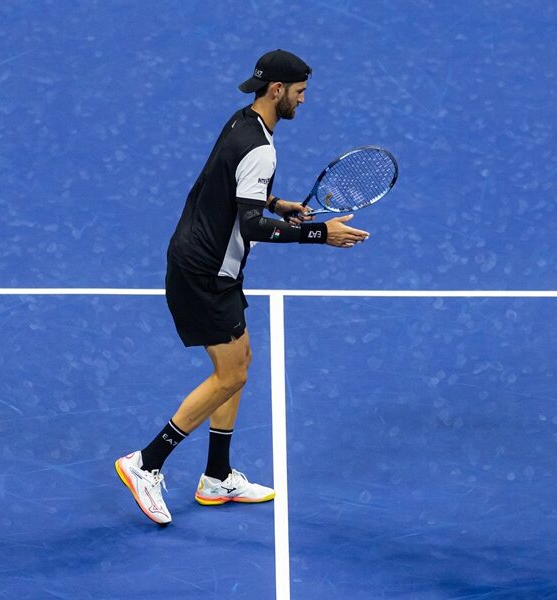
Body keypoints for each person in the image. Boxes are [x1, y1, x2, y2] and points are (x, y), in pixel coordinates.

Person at [115, 49, 370, 525]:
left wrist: (279, 203)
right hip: (205, 272)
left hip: (209, 264)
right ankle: (146, 463)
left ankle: (216, 476)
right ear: (278, 90)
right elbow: (250, 226)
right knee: (229, 375)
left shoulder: (242, 122)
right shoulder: (262, 148)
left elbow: (239, 192)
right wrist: (321, 233)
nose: (302, 101)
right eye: (299, 93)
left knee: (240, 363)